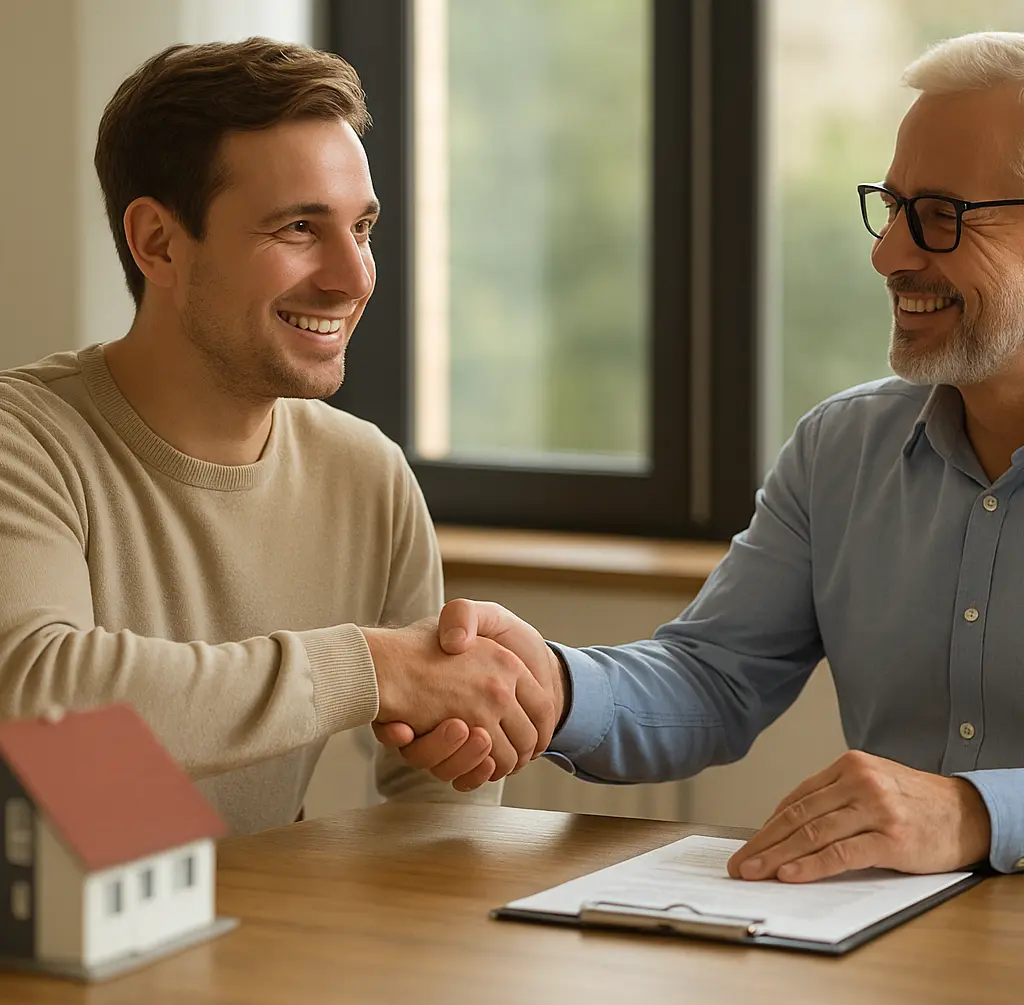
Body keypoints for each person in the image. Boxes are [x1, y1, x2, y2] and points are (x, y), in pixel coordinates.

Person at [378, 31, 1024, 880]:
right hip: (880, 937)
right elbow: (713, 679)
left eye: (939, 216)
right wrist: (552, 687)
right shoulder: (842, 450)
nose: (887, 255)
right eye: (892, 206)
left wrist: (978, 813)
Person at [0, 37, 559, 835]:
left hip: (253, 919)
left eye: (362, 228)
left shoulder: (367, 475)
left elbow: (440, 797)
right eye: (299, 227)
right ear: (159, 242)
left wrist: (467, 735)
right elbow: (37, 697)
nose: (353, 277)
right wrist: (370, 667)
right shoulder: (23, 442)